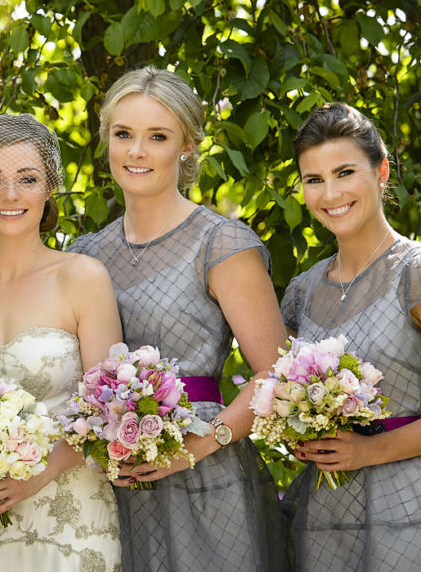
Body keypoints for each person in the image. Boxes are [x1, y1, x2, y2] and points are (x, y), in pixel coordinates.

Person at [69, 66, 288, 571]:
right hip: (112, 484)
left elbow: (275, 376)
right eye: (123, 134)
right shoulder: (85, 255)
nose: (136, 152)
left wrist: (191, 448)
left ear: (187, 146)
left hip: (207, 479)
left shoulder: (222, 244)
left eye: (158, 136)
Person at [280, 102, 421, 571]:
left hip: (413, 512)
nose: (330, 193)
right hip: (323, 517)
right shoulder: (302, 290)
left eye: (345, 172)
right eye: (313, 179)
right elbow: (283, 399)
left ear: (382, 171)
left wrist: (367, 450)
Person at [0, 114, 123, 571]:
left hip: (70, 522)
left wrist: (33, 478)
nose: (10, 195)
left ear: (49, 186)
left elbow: (106, 411)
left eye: (27, 179)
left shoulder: (82, 279)